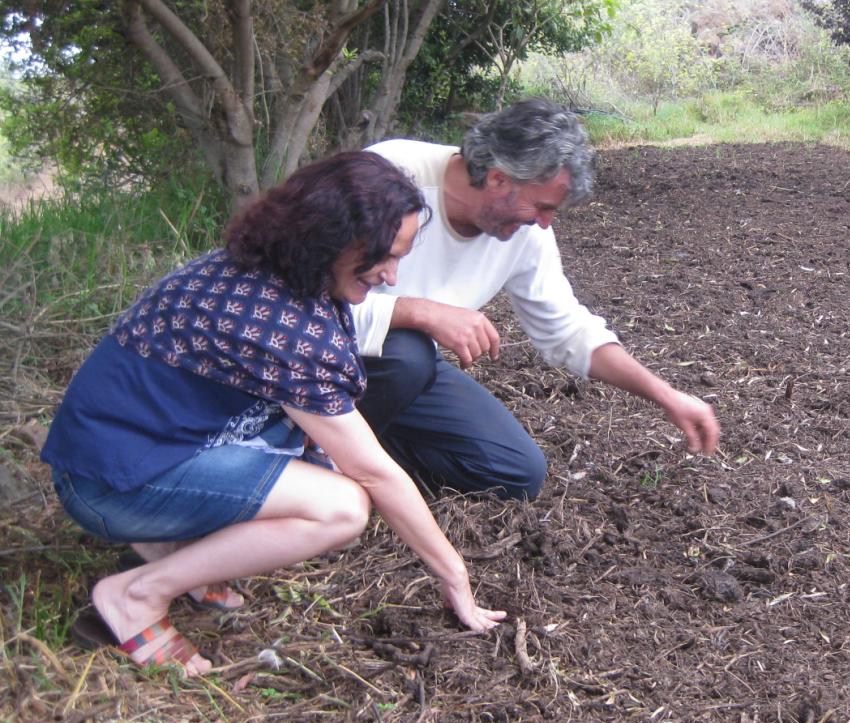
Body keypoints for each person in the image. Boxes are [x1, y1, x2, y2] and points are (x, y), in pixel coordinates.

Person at [41, 152, 505, 676]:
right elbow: (374, 471)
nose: (392, 277)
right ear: (331, 236)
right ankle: (137, 595)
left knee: (317, 462)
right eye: (382, 255)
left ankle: (170, 547)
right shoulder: (282, 324)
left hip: (124, 452)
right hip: (107, 485)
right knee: (341, 508)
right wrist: (454, 573)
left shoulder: (265, 272)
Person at [354, 99, 720, 501]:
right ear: (497, 178)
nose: (545, 223)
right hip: (326, 361)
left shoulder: (527, 234)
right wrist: (416, 312)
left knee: (514, 471)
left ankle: (370, 461)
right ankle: (320, 458)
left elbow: (566, 330)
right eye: (542, 207)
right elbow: (303, 306)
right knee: (407, 353)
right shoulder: (388, 175)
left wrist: (665, 396)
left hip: (404, 375)